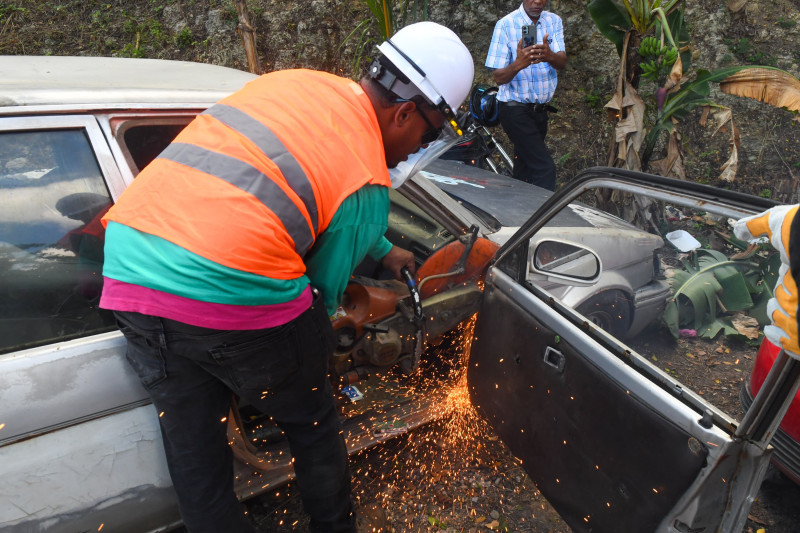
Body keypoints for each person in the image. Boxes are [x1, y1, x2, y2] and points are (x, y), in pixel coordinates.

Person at [99, 21, 474, 533]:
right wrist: (315, 362)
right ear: (405, 111)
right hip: (224, 290)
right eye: (426, 135)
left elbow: (281, 181)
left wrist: (383, 249)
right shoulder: (368, 179)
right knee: (315, 422)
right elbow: (321, 294)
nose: (415, 148)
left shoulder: (299, 84)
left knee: (195, 452)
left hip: (131, 272)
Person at [486, 0, 567, 190]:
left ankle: (517, 214)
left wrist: (549, 55)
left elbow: (562, 62)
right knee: (544, 168)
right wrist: (518, 65)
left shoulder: (554, 21)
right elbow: (498, 77)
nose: (538, 2)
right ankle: (543, 218)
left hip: (540, 111)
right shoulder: (505, 24)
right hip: (515, 110)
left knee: (525, 171)